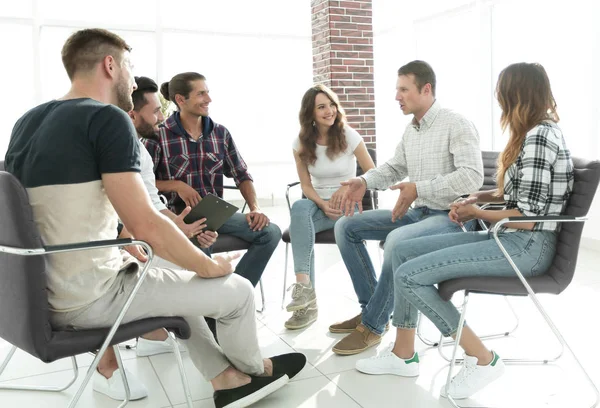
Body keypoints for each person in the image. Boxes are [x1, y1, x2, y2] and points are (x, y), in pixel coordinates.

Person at [5, 28, 305, 408]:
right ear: (110, 65)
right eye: (130, 66)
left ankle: (225, 377)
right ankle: (256, 369)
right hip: (91, 296)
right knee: (238, 291)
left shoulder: (27, 122)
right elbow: (146, 221)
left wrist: (143, 246)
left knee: (169, 268)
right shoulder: (106, 119)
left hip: (42, 293)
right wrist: (208, 267)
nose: (132, 79)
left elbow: (58, 214)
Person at [355, 62, 573, 400]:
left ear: (518, 93)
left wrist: (476, 211)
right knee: (403, 250)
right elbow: (521, 195)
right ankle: (403, 353)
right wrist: (479, 197)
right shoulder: (533, 133)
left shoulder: (540, 135)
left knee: (411, 275)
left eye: (503, 91)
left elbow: (529, 217)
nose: (499, 99)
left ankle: (482, 358)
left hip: (527, 245)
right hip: (513, 238)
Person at [330, 60, 484, 356]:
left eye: (403, 89)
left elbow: (472, 176)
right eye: (397, 89)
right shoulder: (411, 130)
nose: (397, 96)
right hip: (419, 213)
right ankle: (371, 310)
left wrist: (419, 188)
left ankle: (373, 326)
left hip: (451, 217)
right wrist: (364, 180)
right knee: (346, 226)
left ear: (426, 89)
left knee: (398, 242)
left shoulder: (457, 123)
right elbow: (395, 167)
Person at [142, 72, 281, 288]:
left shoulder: (220, 134)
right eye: (201, 94)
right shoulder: (159, 136)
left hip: (217, 215)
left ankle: (235, 294)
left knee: (270, 233)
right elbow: (143, 182)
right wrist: (176, 185)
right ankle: (208, 312)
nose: (208, 99)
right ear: (181, 99)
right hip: (179, 218)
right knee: (200, 241)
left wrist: (255, 207)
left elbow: (241, 174)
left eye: (208, 92)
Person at [285, 84, 375, 330]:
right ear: (310, 114)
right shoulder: (301, 143)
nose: (329, 111)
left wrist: (349, 187)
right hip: (319, 207)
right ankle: (304, 290)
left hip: (348, 208)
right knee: (300, 208)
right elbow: (306, 185)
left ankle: (305, 304)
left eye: (331, 104)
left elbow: (372, 172)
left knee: (301, 226)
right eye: (321, 107)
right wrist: (322, 204)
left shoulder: (348, 135)